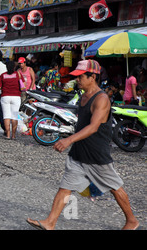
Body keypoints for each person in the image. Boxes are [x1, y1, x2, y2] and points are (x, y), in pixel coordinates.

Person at [27, 59, 139, 230]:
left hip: (96, 155)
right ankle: (50, 222)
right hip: (79, 152)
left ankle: (132, 220)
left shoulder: (101, 99)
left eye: (80, 77)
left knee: (115, 187)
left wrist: (68, 140)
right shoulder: (83, 96)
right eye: (76, 77)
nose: (77, 80)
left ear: (92, 77)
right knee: (65, 187)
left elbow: (93, 127)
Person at [0, 60, 22, 140]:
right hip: (16, 97)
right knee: (14, 117)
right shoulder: (18, 74)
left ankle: (7, 135)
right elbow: (23, 84)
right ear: (14, 67)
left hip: (5, 97)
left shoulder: (3, 75)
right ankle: (13, 135)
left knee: (6, 116)